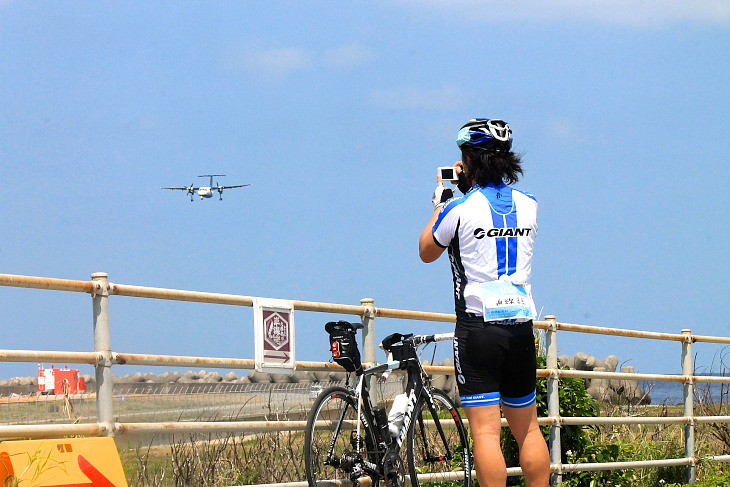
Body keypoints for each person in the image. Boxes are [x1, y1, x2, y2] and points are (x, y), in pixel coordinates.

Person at [419, 118, 550, 487]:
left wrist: (440, 204)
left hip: (478, 328)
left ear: (471, 159)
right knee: (527, 430)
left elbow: (426, 250)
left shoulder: (458, 208)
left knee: (487, 435)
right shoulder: (530, 205)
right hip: (520, 325)